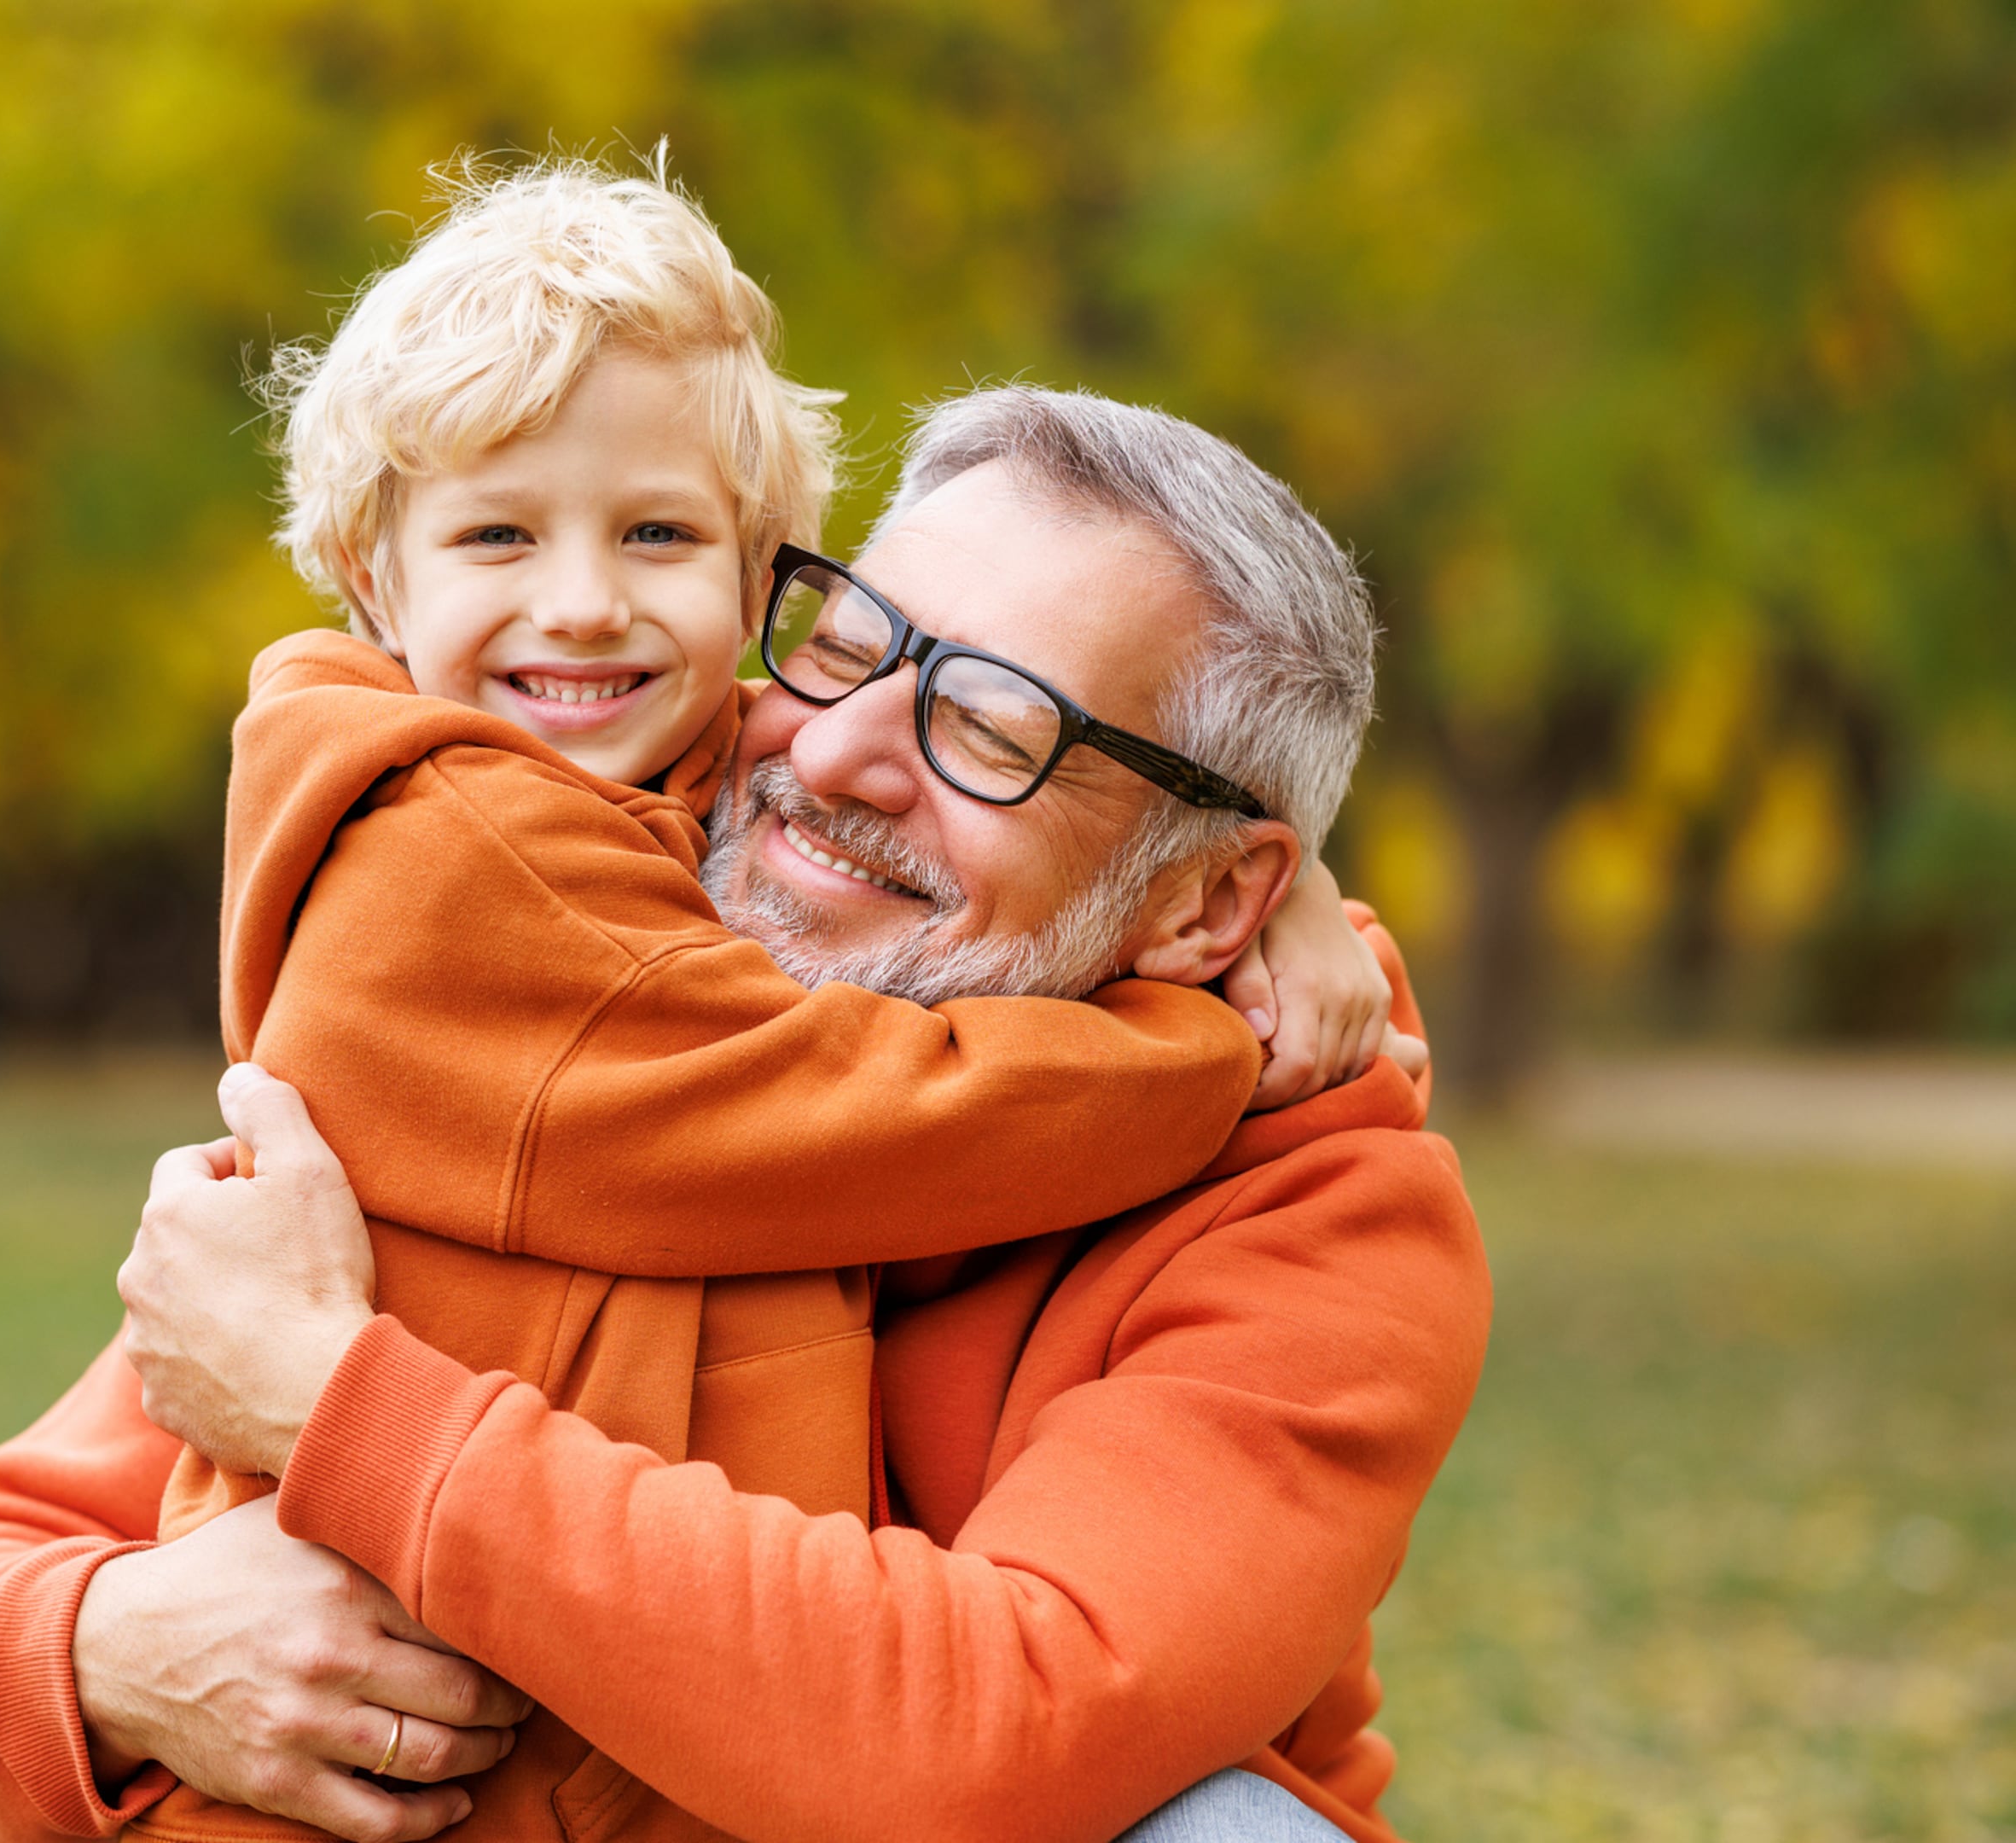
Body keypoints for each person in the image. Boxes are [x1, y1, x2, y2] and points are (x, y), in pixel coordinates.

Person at [0, 389, 1487, 1843]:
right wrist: (115, 1656)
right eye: (851, 639)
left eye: (993, 730)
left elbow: (1000, 1730)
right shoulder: (596, 1013)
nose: (841, 753)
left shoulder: (1321, 1217)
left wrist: (340, 1411)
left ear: (1211, 904)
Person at [167, 155, 1400, 1617]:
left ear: (754, 585)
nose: (580, 602)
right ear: (374, 582)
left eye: (659, 536)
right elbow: (869, 1121)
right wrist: (1204, 1039)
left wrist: (1290, 890)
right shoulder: (446, 859)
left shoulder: (637, 774)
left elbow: (1011, 1718)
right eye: (499, 533)